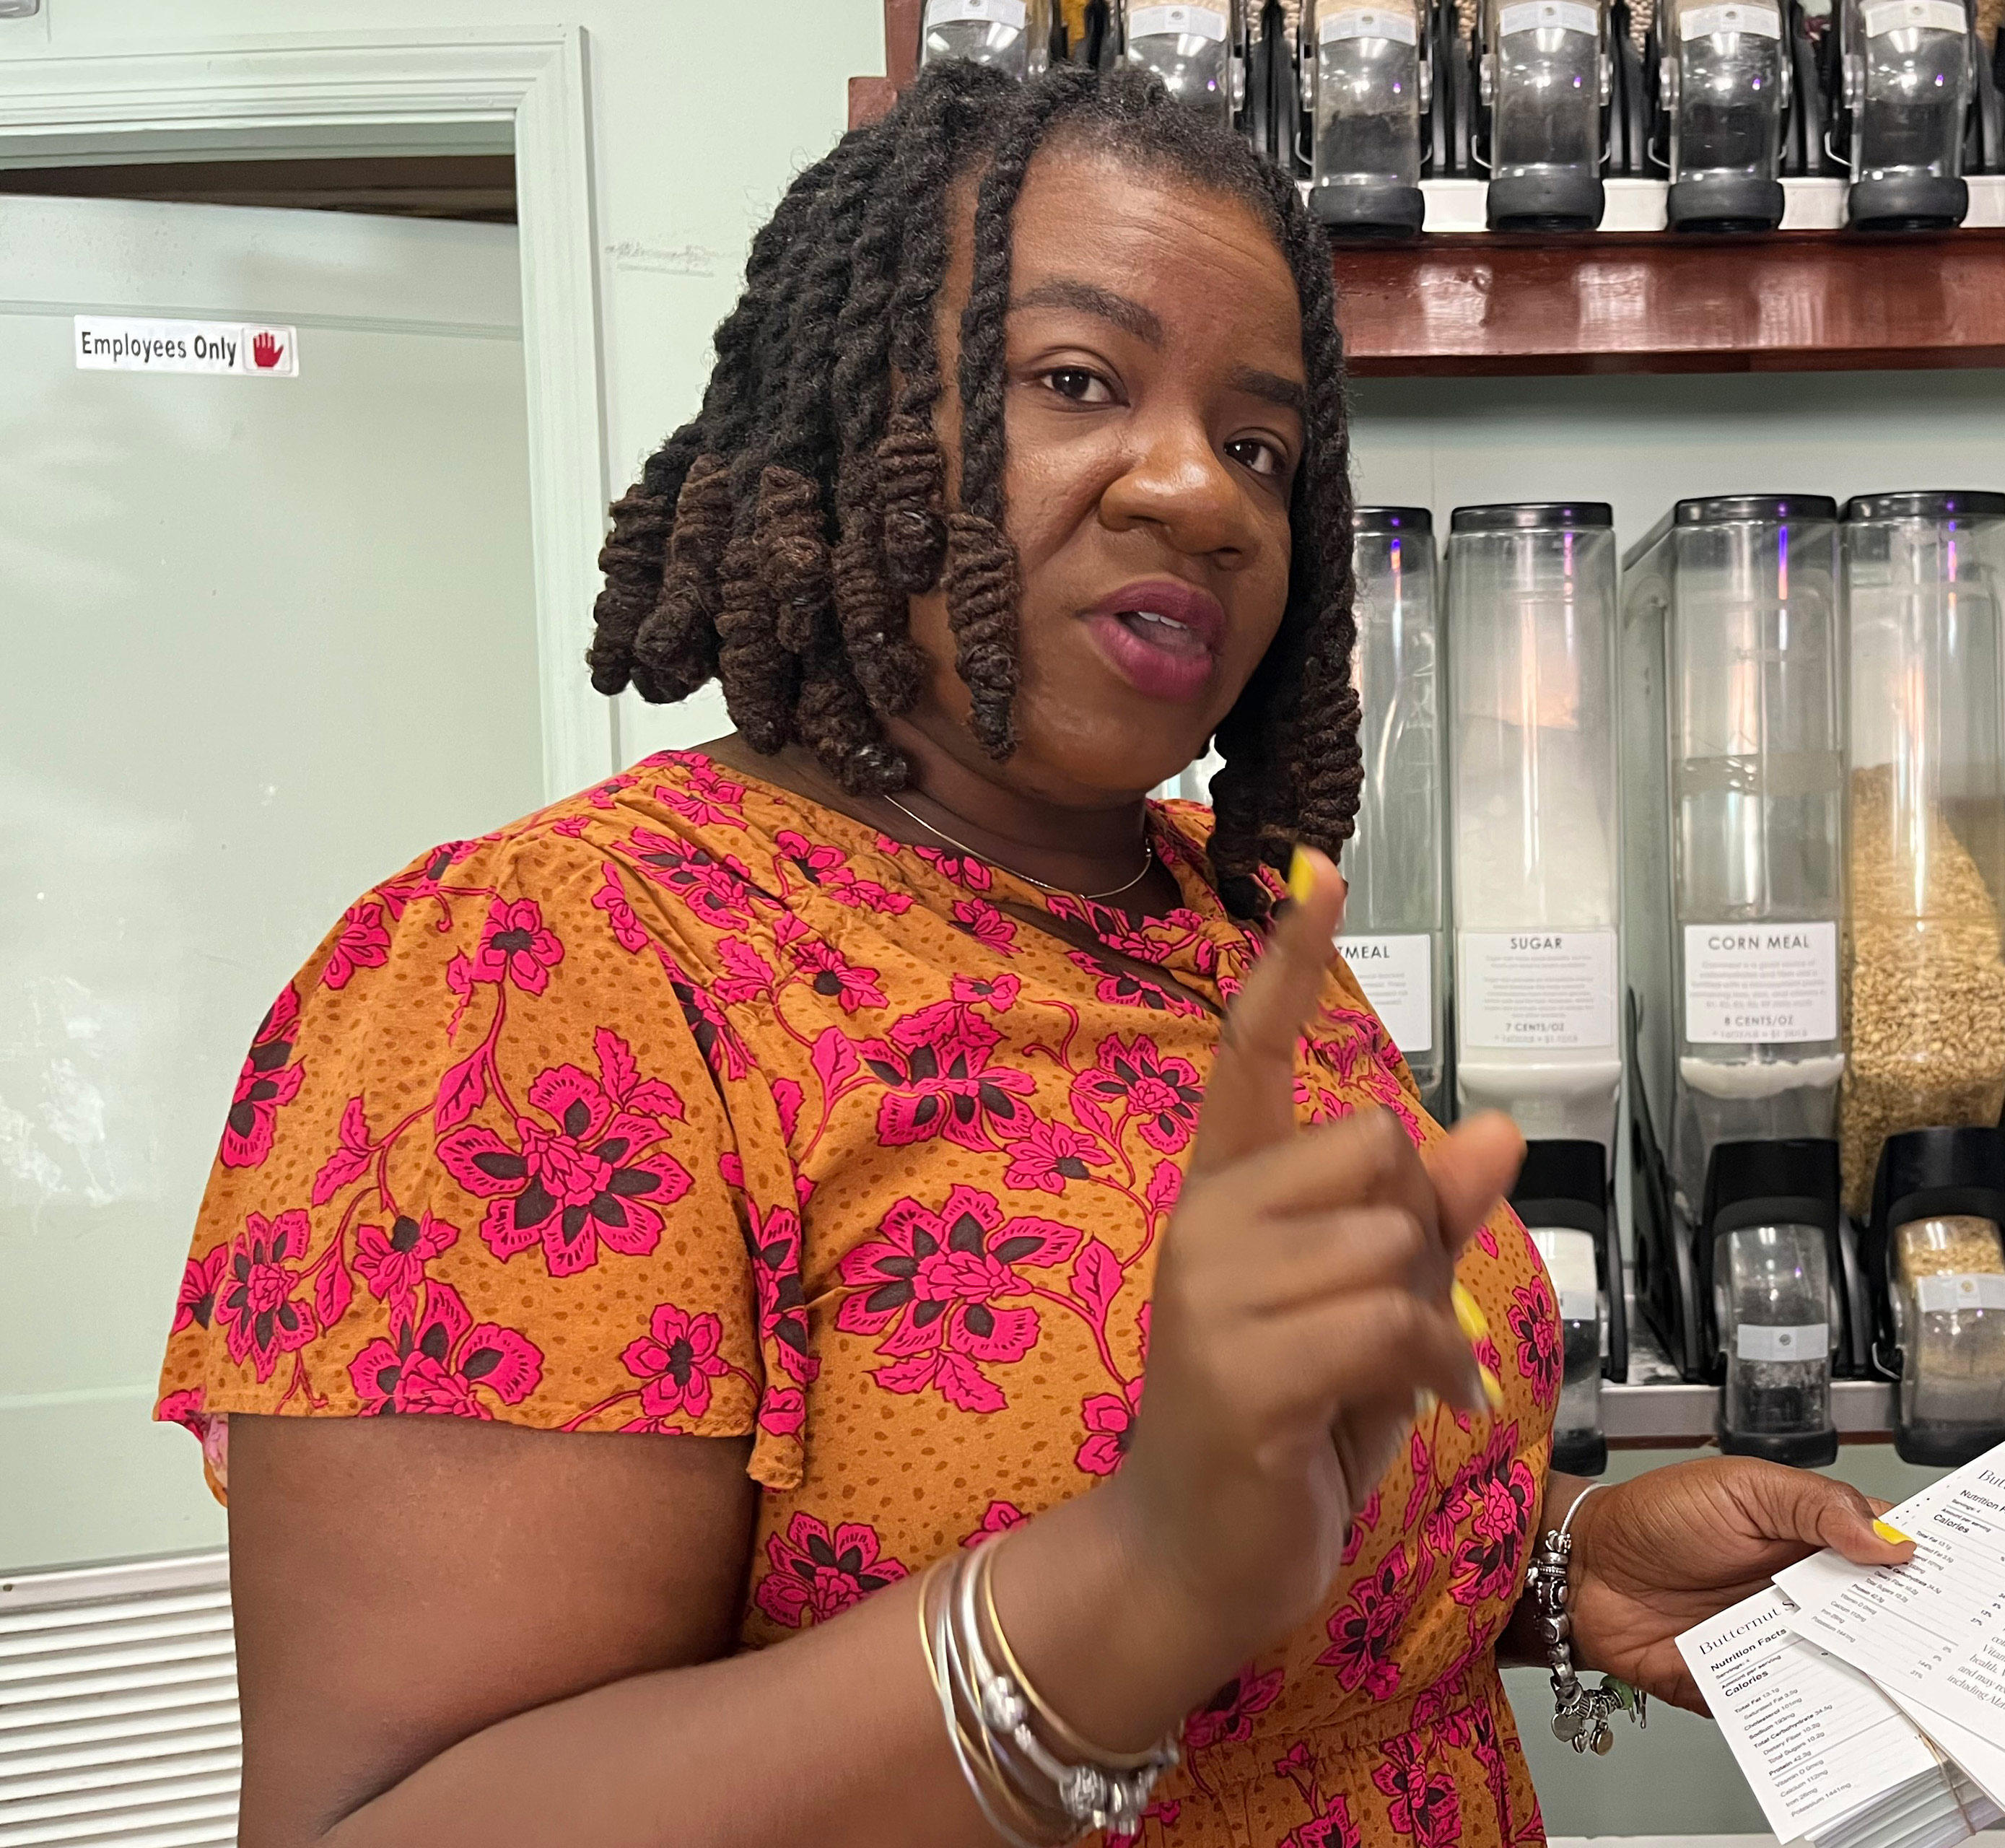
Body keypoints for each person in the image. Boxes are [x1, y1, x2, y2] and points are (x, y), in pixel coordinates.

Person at [154, 60, 1913, 1848]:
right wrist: (1130, 1584)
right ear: (855, 420)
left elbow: (1284, 1552)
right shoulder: (547, 975)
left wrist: (1557, 1577)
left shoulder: (1218, 924)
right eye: (1077, 381)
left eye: (1260, 444)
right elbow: (371, 1824)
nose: (1201, 495)